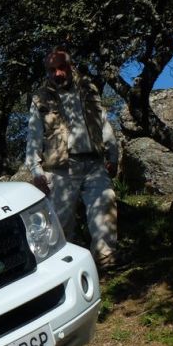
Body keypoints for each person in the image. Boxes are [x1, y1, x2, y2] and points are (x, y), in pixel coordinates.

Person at [25, 46, 120, 270]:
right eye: (52, 70)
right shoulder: (41, 98)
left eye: (61, 68)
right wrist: (36, 170)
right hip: (61, 169)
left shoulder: (88, 89)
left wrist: (113, 155)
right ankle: (65, 268)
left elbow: (104, 123)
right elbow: (34, 134)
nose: (57, 74)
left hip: (95, 163)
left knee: (105, 206)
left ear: (70, 66)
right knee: (61, 222)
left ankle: (106, 259)